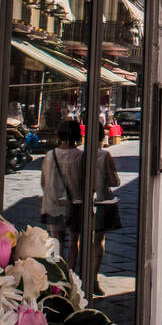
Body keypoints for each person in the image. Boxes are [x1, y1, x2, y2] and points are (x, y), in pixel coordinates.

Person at [41, 117, 121, 291]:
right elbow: (86, 182)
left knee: (56, 241)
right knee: (76, 242)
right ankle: (71, 276)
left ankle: (56, 278)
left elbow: (44, 183)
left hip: (53, 204)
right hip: (77, 204)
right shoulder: (81, 156)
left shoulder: (50, 155)